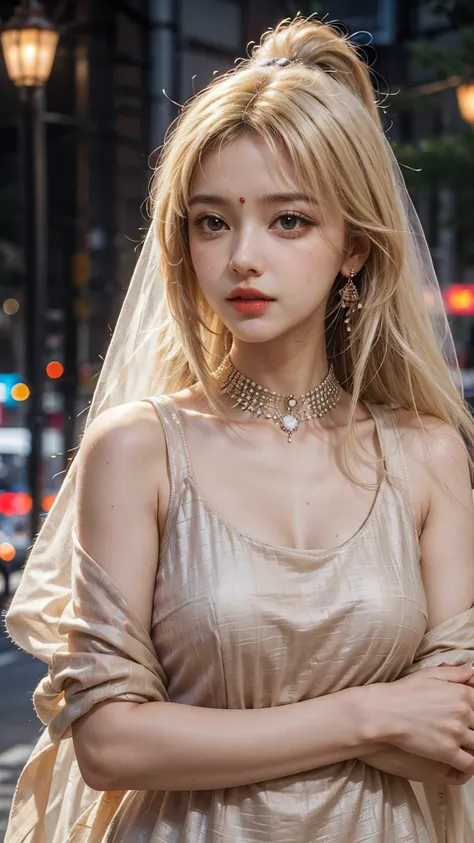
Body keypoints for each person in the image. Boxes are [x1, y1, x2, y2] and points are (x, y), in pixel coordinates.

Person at [5, 15, 474, 843]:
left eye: (288, 220)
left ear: (356, 246)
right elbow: (111, 743)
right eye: (211, 220)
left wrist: (196, 737)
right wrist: (369, 715)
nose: (241, 258)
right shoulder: (138, 448)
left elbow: (451, 734)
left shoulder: (429, 454)